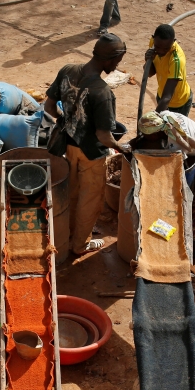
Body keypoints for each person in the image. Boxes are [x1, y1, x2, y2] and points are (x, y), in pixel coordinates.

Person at [44, 34, 133, 255]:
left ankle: (66, 235)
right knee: (89, 201)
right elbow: (104, 135)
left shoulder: (67, 70)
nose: (117, 66)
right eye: (117, 61)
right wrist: (122, 148)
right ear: (110, 59)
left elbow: (48, 107)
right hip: (91, 153)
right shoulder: (102, 92)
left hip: (66, 147)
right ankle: (80, 244)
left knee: (71, 193)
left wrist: (65, 119)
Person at [134, 110, 195, 258]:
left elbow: (176, 169)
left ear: (156, 134)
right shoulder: (164, 117)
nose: (146, 138)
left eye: (148, 136)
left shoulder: (176, 144)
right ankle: (194, 240)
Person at [145, 24, 193, 116]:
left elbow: (167, 97)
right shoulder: (153, 43)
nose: (161, 51)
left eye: (166, 48)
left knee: (173, 129)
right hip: (161, 96)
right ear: (153, 39)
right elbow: (150, 73)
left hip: (178, 104)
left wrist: (153, 119)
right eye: (158, 47)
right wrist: (147, 59)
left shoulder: (176, 60)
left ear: (173, 41)